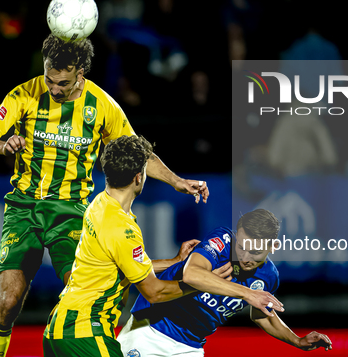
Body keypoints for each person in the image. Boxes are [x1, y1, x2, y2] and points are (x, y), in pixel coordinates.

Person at [0, 34, 210, 357]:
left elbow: (137, 151)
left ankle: (99, 345)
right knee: (8, 302)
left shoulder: (102, 105)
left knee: (91, 287)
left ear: (80, 73)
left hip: (69, 209)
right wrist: (2, 145)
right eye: (49, 79)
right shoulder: (25, 94)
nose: (53, 89)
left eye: (63, 82)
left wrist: (176, 181)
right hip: (24, 207)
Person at [43, 134, 218, 356]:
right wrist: (203, 283)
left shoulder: (100, 204)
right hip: (84, 332)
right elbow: (154, 292)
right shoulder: (122, 228)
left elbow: (123, 264)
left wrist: (175, 262)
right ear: (138, 177)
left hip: (61, 328)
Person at [117, 209, 332, 356]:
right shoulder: (222, 242)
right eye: (242, 247)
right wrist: (247, 293)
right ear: (237, 235)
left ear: (273, 246)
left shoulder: (269, 276)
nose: (245, 258)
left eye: (255, 252)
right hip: (149, 330)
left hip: (190, 348)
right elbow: (192, 274)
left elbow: (261, 316)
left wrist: (297, 341)